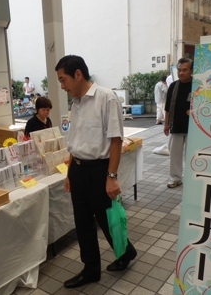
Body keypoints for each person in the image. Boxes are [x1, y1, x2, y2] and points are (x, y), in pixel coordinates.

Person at [55, 55, 137, 289]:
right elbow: (75, 140)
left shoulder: (105, 97)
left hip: (99, 170)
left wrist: (111, 177)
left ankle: (125, 252)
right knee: (82, 222)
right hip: (79, 170)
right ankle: (91, 269)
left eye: (63, 80)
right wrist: (70, 172)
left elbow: (115, 140)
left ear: (78, 74)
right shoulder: (76, 102)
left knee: (106, 219)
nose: (62, 86)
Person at [164, 58, 193, 188]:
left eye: (185, 70)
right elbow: (168, 107)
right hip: (177, 124)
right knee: (175, 154)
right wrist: (166, 124)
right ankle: (175, 178)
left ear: (191, 71)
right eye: (179, 70)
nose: (181, 73)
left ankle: (192, 178)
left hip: (194, 127)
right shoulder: (174, 86)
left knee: (191, 154)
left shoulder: (197, 85)